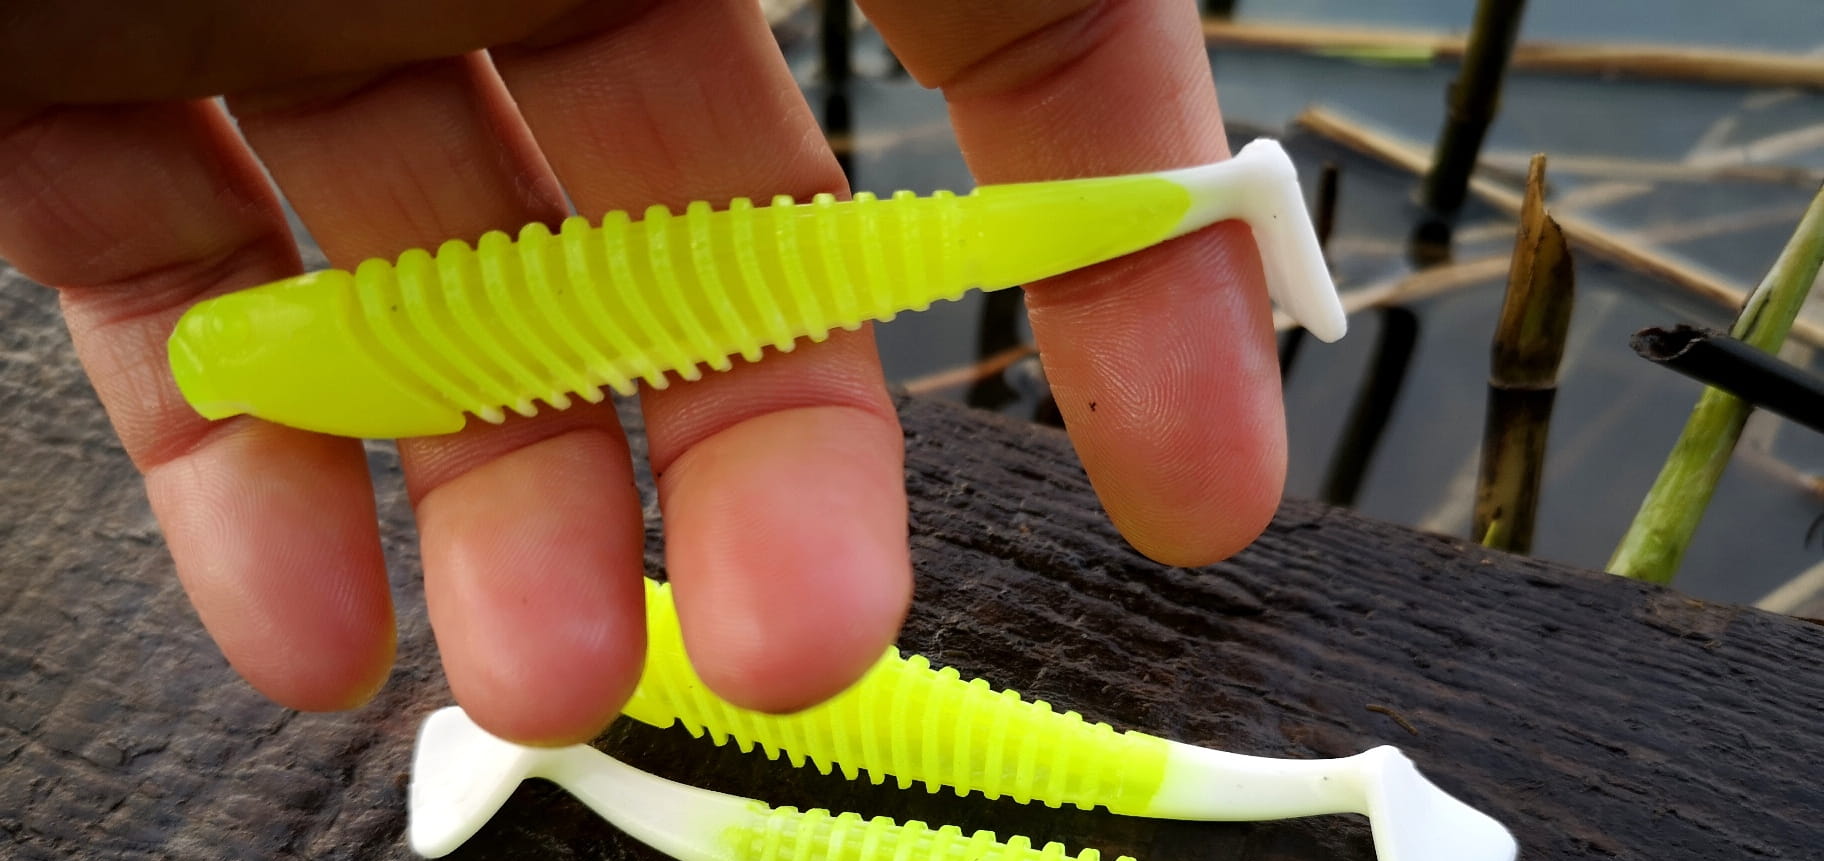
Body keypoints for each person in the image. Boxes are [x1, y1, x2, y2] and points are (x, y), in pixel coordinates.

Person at [0, 0, 1285, 745]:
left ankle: (1215, 195)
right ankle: (1215, 195)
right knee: (926, 247)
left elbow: (419, 384)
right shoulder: (305, 347)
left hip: (713, 278)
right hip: (701, 282)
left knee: (923, 248)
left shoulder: (307, 365)